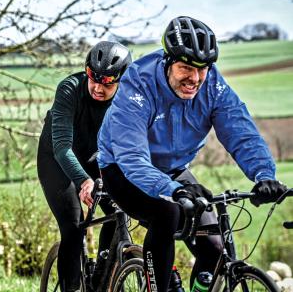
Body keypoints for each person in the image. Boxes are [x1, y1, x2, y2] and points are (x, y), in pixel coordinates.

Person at [96, 16, 288, 292]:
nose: (195, 78)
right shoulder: (138, 85)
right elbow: (133, 159)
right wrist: (174, 191)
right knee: (167, 214)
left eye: (203, 69)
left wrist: (264, 175)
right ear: (167, 61)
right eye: (186, 67)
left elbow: (240, 132)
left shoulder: (212, 86)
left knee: (214, 247)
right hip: (122, 169)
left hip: (172, 170)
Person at [38, 41, 132, 292]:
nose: (98, 88)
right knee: (74, 226)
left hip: (95, 159)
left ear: (120, 81)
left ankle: (105, 277)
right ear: (87, 71)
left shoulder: (128, 100)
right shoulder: (70, 88)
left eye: (108, 82)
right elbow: (61, 148)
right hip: (57, 159)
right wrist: (83, 181)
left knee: (117, 214)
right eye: (93, 78)